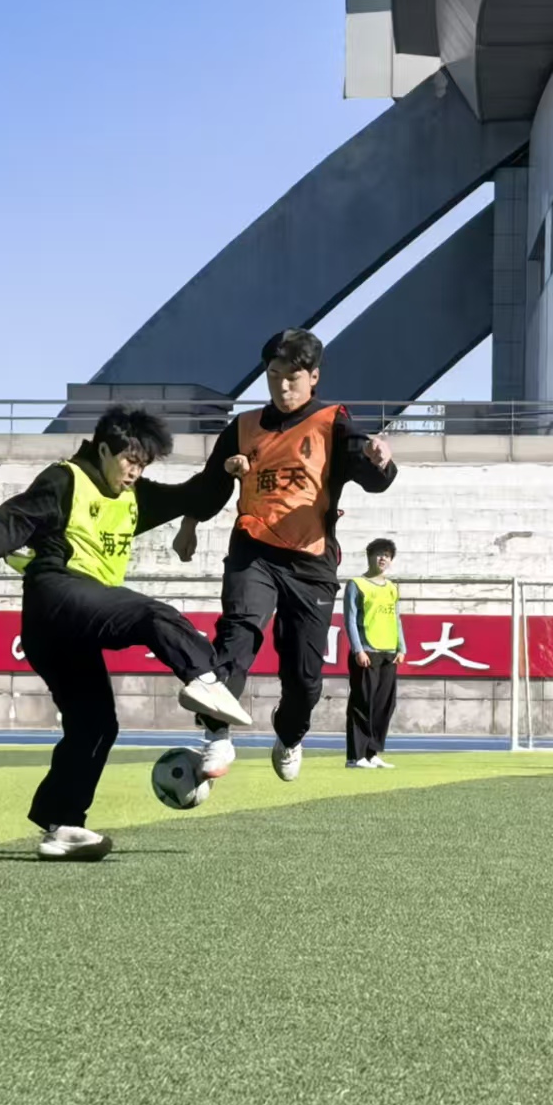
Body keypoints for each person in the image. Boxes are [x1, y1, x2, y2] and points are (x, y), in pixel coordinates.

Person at [0, 405, 251, 862]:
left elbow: (192, 497)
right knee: (153, 615)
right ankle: (204, 680)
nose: (135, 472)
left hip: (73, 630)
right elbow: (14, 519)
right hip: (55, 597)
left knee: (96, 724)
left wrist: (226, 471)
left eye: (143, 465)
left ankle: (62, 825)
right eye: (129, 460)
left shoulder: (133, 496)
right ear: (103, 450)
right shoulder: (65, 480)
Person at [171, 330, 397, 782]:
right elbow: (211, 484)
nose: (282, 386)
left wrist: (379, 459)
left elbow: (374, 479)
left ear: (313, 377)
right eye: (273, 375)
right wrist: (189, 524)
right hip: (253, 550)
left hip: (311, 563)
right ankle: (216, 734)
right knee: (237, 634)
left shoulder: (333, 422)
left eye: (292, 377)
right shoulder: (243, 427)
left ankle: (290, 734)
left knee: (304, 677)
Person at [344, 537, 406, 770]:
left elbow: (396, 618)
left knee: (384, 705)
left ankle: (372, 753)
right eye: (379, 554)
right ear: (369, 556)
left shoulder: (392, 588)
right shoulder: (357, 584)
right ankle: (355, 756)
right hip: (367, 652)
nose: (383, 558)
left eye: (387, 555)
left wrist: (402, 647)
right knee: (362, 703)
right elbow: (350, 619)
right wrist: (358, 649)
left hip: (389, 653)